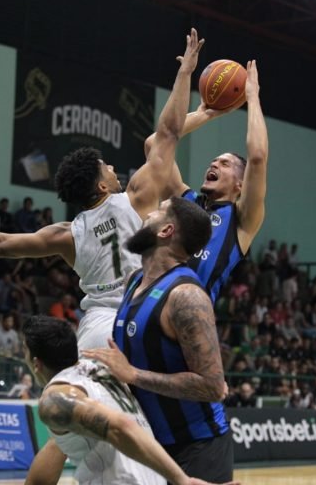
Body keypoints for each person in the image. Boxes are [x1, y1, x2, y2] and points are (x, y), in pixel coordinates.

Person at [0, 28, 204, 352]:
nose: (111, 166)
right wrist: (185, 73)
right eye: (105, 166)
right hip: (138, 317)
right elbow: (167, 132)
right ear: (102, 184)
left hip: (95, 329)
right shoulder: (136, 198)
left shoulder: (68, 234)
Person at [84, 197, 232, 482]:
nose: (148, 214)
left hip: (198, 447)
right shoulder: (133, 282)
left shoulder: (186, 296)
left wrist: (134, 375)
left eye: (158, 211)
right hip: (150, 446)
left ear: (166, 231)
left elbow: (213, 387)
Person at [23, 315, 237, 485]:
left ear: (36, 363)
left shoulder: (55, 399)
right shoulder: (105, 370)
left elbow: (120, 426)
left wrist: (183, 480)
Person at [146, 60, 268, 303]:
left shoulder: (242, 220)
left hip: (189, 314)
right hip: (150, 303)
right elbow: (154, 144)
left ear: (240, 185)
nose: (214, 165)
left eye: (225, 164)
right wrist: (206, 114)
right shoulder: (186, 201)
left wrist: (252, 97)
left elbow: (257, 157)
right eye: (214, 161)